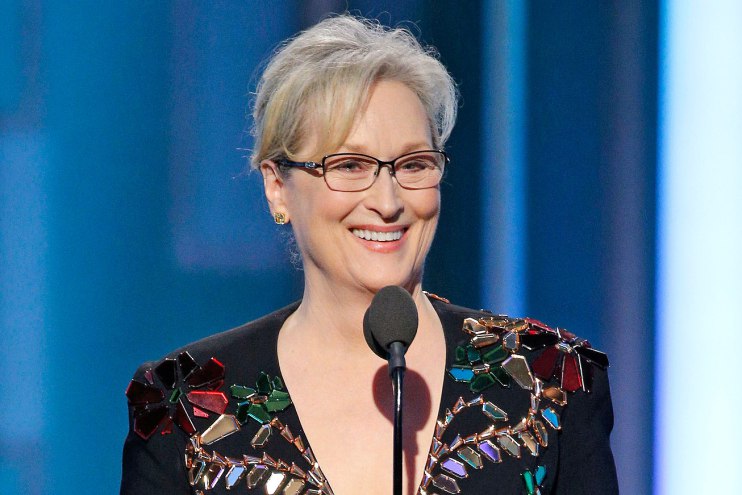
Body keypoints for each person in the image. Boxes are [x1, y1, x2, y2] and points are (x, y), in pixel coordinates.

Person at [121, 15, 618, 495]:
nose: (388, 201)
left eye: (414, 164)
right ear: (277, 187)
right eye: (351, 165)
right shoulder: (188, 404)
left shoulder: (549, 380)